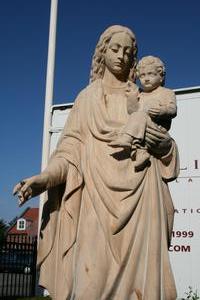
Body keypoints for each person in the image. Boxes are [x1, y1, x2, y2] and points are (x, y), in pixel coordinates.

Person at [13, 25, 179, 300]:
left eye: (128, 52)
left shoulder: (143, 98)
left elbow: (167, 147)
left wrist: (162, 145)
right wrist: (43, 179)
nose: (121, 57)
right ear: (103, 52)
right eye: (115, 49)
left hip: (143, 200)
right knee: (88, 285)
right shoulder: (87, 99)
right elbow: (69, 153)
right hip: (95, 203)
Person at [109, 55, 177, 171]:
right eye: (142, 75)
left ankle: (127, 139)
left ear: (161, 76)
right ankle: (141, 152)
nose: (146, 79)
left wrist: (162, 111)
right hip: (144, 132)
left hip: (158, 132)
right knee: (138, 115)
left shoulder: (166, 92)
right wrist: (131, 98)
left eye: (151, 74)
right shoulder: (140, 94)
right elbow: (132, 113)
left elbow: (173, 110)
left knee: (142, 112)